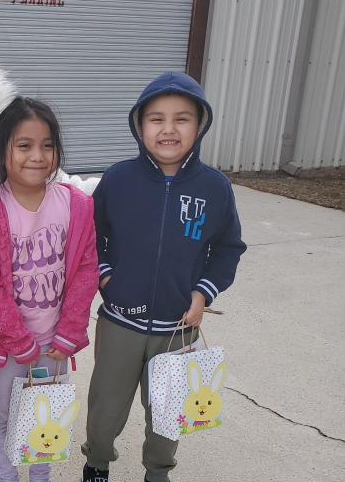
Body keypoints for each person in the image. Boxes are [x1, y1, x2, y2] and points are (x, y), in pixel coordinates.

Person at [80, 71, 247, 482]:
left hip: (179, 326)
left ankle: (158, 471)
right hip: (121, 321)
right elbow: (90, 235)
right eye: (156, 118)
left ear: (200, 124)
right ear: (140, 126)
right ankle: (97, 463)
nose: (168, 129)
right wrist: (105, 276)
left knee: (168, 412)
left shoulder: (215, 188)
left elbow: (228, 248)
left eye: (182, 118)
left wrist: (203, 293)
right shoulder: (118, 179)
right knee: (106, 406)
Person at [0, 97, 99, 482]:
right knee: (4, 418)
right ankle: (8, 476)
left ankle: (40, 477)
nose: (37, 156)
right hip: (10, 347)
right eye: (24, 145)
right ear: (2, 151)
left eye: (47, 145)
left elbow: (86, 270)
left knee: (47, 417)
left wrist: (70, 332)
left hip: (55, 342)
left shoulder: (75, 205)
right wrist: (19, 341)